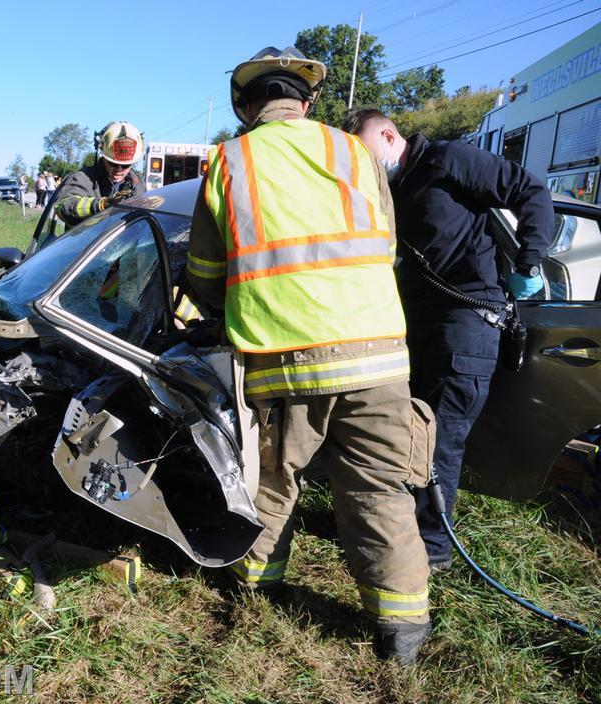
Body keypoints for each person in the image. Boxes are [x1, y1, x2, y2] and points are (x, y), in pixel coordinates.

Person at [187, 46, 435, 663]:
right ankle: (402, 629)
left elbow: (205, 272)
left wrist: (225, 305)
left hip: (282, 355)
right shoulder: (355, 151)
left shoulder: (227, 161)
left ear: (246, 107)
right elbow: (386, 242)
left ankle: (255, 588)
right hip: (378, 354)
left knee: (272, 479)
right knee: (380, 487)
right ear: (306, 101)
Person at [343, 108, 553, 571]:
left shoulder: (449, 160)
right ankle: (402, 530)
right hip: (415, 322)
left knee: (441, 438)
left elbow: (530, 191)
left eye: (364, 150)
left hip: (468, 318)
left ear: (389, 135)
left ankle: (432, 548)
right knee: (406, 431)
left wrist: (529, 261)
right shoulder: (385, 189)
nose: (363, 163)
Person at [53, 121, 145, 228]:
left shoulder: (138, 185)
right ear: (103, 156)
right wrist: (100, 205)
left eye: (125, 165)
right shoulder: (81, 178)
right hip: (87, 243)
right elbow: (63, 206)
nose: (119, 170)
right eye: (113, 163)